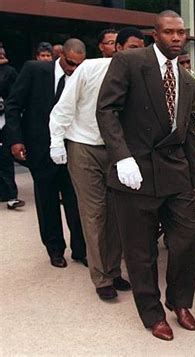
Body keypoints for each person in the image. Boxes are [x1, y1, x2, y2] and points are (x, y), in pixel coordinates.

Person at [96, 10, 195, 341]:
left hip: (176, 173)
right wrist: (122, 157)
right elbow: (107, 110)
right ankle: (152, 314)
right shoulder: (130, 62)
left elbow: (189, 131)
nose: (176, 38)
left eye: (181, 32)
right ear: (155, 35)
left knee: (188, 240)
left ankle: (180, 302)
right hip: (136, 173)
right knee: (141, 250)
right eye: (169, 32)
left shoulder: (188, 80)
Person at [49, 27, 144, 300]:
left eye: (140, 48)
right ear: (117, 49)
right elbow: (64, 107)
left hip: (119, 153)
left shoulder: (140, 78)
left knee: (116, 214)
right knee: (94, 214)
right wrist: (57, 142)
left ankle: (114, 270)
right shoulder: (90, 69)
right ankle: (101, 277)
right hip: (84, 147)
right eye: (129, 47)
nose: (134, 53)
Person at [5, 39, 87, 268]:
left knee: (76, 203)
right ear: (60, 55)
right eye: (70, 63)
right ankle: (55, 250)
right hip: (41, 148)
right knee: (47, 202)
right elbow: (13, 105)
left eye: (79, 65)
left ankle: (81, 250)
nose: (73, 69)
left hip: (73, 150)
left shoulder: (83, 75)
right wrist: (16, 139)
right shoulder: (35, 70)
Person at [0, 44, 24, 209]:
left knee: (5, 157)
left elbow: (15, 98)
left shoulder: (9, 72)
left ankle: (10, 195)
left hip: (3, 120)